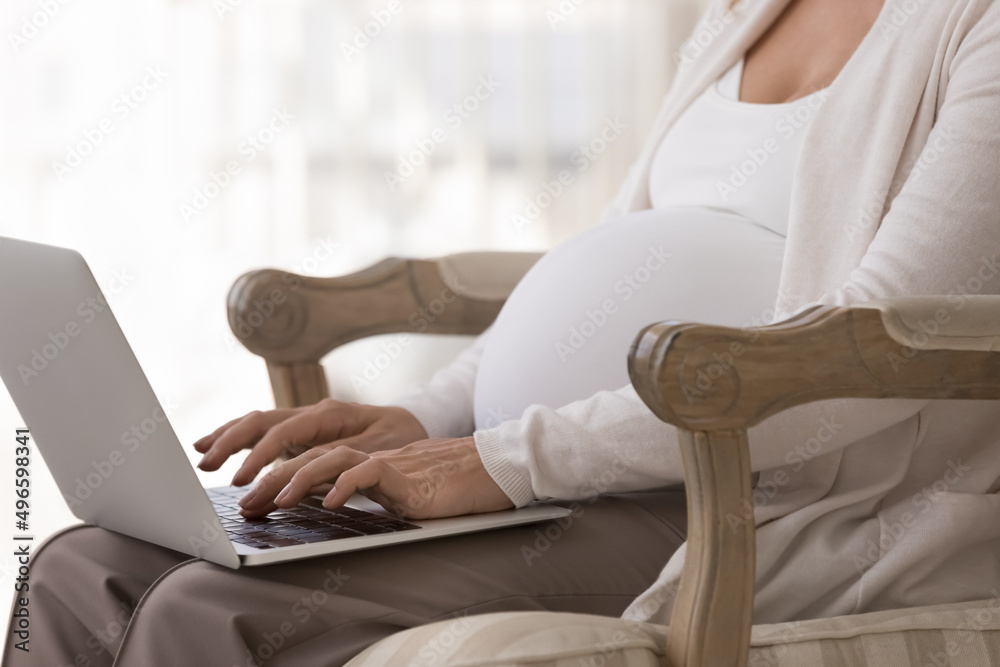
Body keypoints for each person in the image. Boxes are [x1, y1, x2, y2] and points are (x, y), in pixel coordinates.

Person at [7, 0, 1000, 664]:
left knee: (202, 611)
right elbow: (600, 263)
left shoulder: (973, 28)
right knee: (81, 564)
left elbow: (861, 359)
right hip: (561, 470)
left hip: (740, 497)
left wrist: (500, 461)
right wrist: (423, 416)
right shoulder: (742, 13)